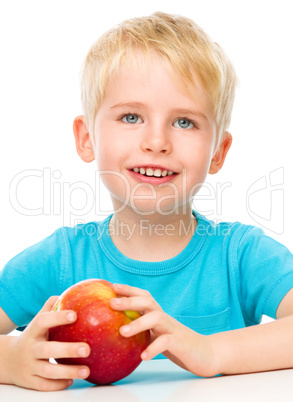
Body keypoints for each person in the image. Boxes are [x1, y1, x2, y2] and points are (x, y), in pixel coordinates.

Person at [0, 11, 293, 392]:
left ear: (218, 152)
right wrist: (10, 359)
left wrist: (210, 351)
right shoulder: (59, 260)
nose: (157, 141)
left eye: (184, 122)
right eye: (131, 116)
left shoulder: (241, 255)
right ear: (87, 138)